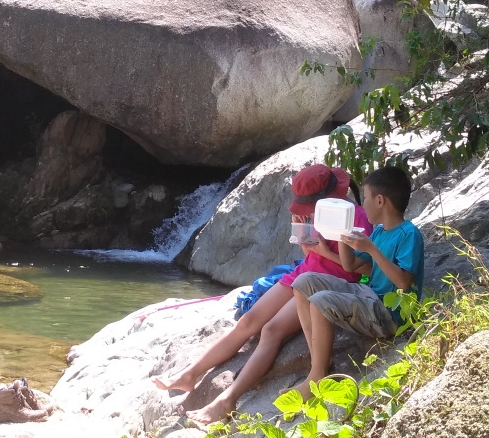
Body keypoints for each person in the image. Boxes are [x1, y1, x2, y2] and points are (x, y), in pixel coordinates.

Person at [151, 164, 372, 425]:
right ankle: (190, 374)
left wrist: (323, 251)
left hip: (330, 283)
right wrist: (307, 244)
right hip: (302, 273)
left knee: (271, 331)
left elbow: (364, 268)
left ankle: (227, 399)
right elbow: (310, 257)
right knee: (248, 322)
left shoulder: (356, 217)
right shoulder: (313, 214)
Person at [288, 165, 425, 399]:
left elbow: (403, 282)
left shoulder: (409, 234)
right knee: (303, 282)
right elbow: (350, 265)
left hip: (389, 314)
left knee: (321, 300)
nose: (363, 205)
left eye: (367, 198)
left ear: (380, 200)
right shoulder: (380, 232)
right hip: (368, 295)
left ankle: (317, 377)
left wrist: (371, 249)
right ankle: (318, 361)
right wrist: (343, 235)